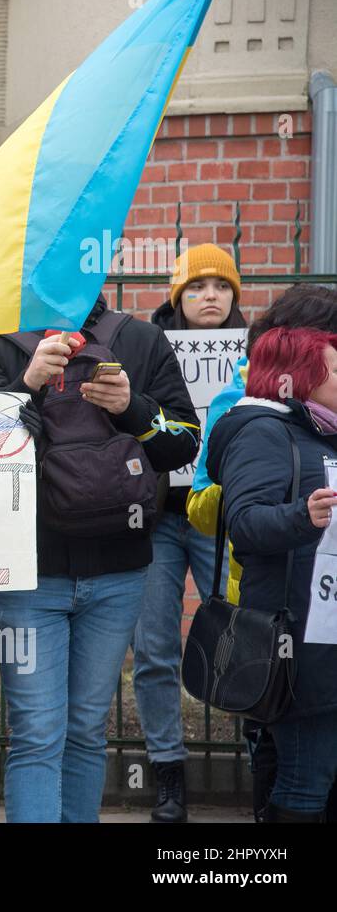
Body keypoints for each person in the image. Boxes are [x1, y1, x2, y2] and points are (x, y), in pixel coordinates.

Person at [0, 294, 198, 822]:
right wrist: (25, 386)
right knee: (39, 733)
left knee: (87, 729)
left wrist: (132, 409)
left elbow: (183, 444)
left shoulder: (139, 339)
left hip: (120, 569)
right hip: (28, 573)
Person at [186, 287, 337, 821]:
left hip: (320, 630)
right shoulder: (260, 426)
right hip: (284, 626)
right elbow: (237, 520)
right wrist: (303, 516)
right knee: (296, 780)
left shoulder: (321, 428)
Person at [133, 244, 246, 821]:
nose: (210, 296)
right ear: (177, 296)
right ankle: (167, 773)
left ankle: (259, 751)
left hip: (219, 514)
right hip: (155, 518)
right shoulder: (148, 347)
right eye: (197, 286)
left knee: (242, 635)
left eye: (222, 286)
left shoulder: (253, 355)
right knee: (153, 648)